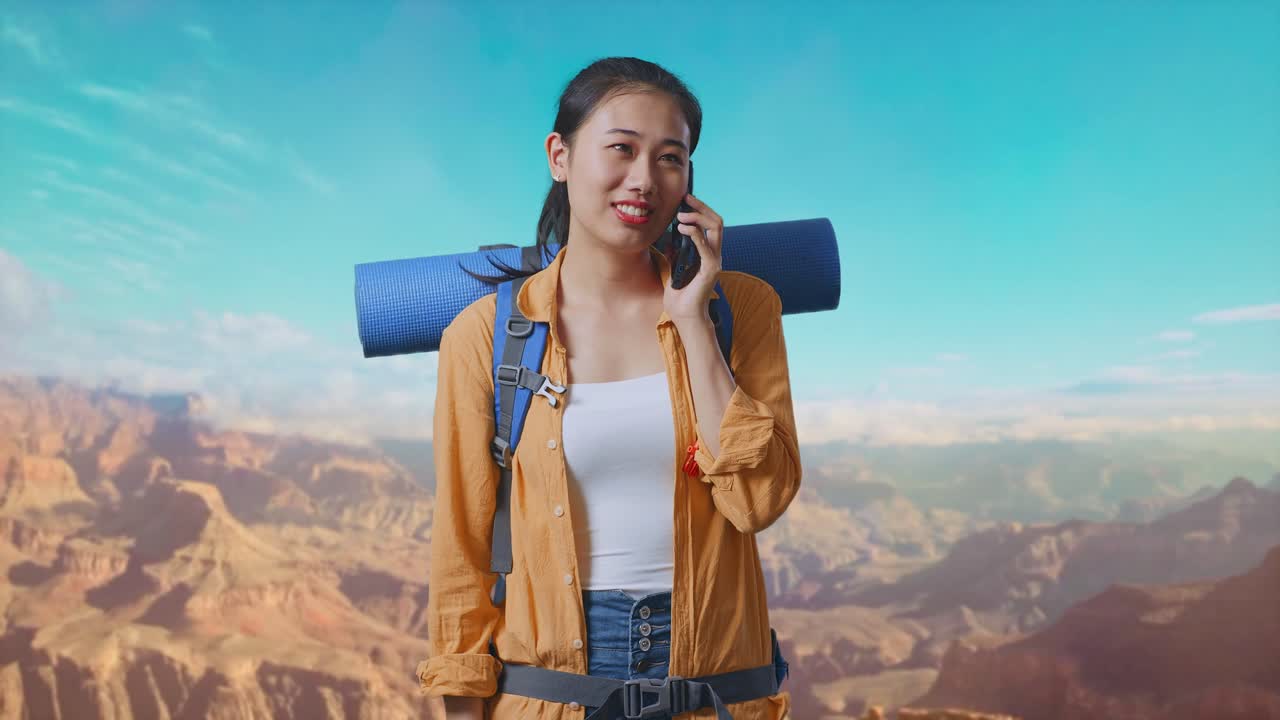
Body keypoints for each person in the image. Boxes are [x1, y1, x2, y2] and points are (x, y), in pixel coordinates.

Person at [417, 56, 801, 720]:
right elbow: (462, 548)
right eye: (621, 148)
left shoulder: (741, 309)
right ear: (560, 157)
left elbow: (757, 500)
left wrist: (693, 321)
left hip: (715, 693)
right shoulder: (485, 335)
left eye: (671, 158)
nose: (645, 179)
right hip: (550, 695)